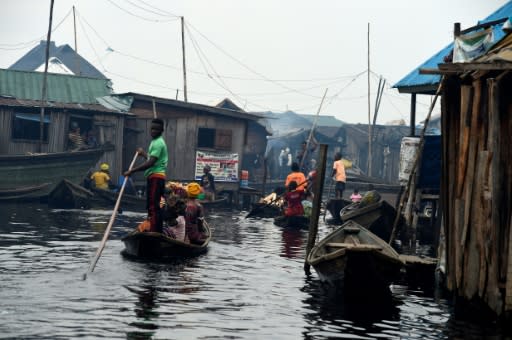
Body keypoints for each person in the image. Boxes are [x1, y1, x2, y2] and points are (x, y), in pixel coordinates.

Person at [124, 118, 168, 233]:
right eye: (152, 128)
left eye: (156, 129)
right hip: (154, 177)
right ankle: (154, 228)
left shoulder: (158, 143)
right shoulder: (154, 141)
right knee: (152, 205)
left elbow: (151, 163)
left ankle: (154, 231)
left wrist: (132, 171)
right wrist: (143, 153)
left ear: (162, 130)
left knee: (154, 206)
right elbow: (151, 158)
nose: (153, 131)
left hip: (156, 177)